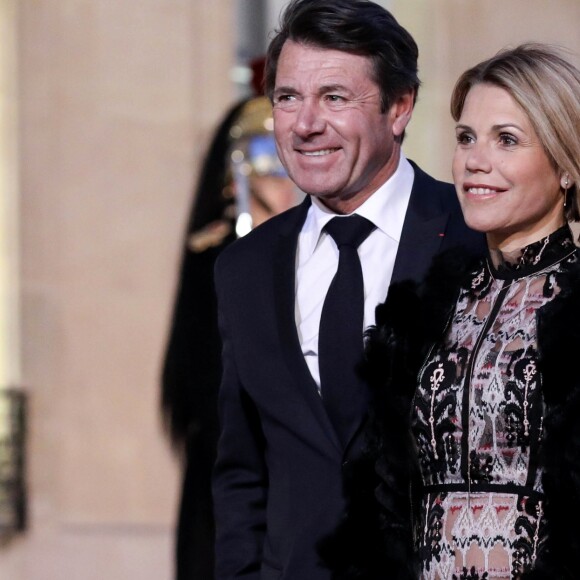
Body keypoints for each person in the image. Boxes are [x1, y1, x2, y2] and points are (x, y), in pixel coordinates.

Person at [211, 1, 484, 579]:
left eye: (334, 98)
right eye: (288, 98)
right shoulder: (245, 268)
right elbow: (242, 470)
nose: (305, 123)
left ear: (399, 107)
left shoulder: (473, 238)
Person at [327, 43, 580, 580]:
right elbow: (383, 500)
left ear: (564, 165)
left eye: (506, 140)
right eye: (466, 138)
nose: (474, 161)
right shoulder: (426, 311)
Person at [161, 94, 298, 580]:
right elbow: (206, 376)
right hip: (233, 470)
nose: (285, 180)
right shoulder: (217, 254)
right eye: (271, 164)